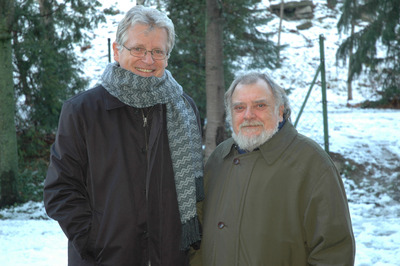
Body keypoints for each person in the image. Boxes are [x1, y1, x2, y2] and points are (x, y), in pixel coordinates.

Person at [43, 5, 204, 266]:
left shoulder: (184, 109)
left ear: (167, 56)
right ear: (118, 51)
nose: (148, 60)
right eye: (138, 49)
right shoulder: (82, 110)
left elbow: (198, 191)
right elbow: (60, 189)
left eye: (157, 51)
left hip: (171, 257)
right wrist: (94, 240)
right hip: (105, 258)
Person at [199, 71, 355, 265]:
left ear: (280, 111)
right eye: (239, 108)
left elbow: (333, 252)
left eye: (260, 105)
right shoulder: (219, 159)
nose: (248, 115)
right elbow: (197, 238)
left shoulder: (312, 164)